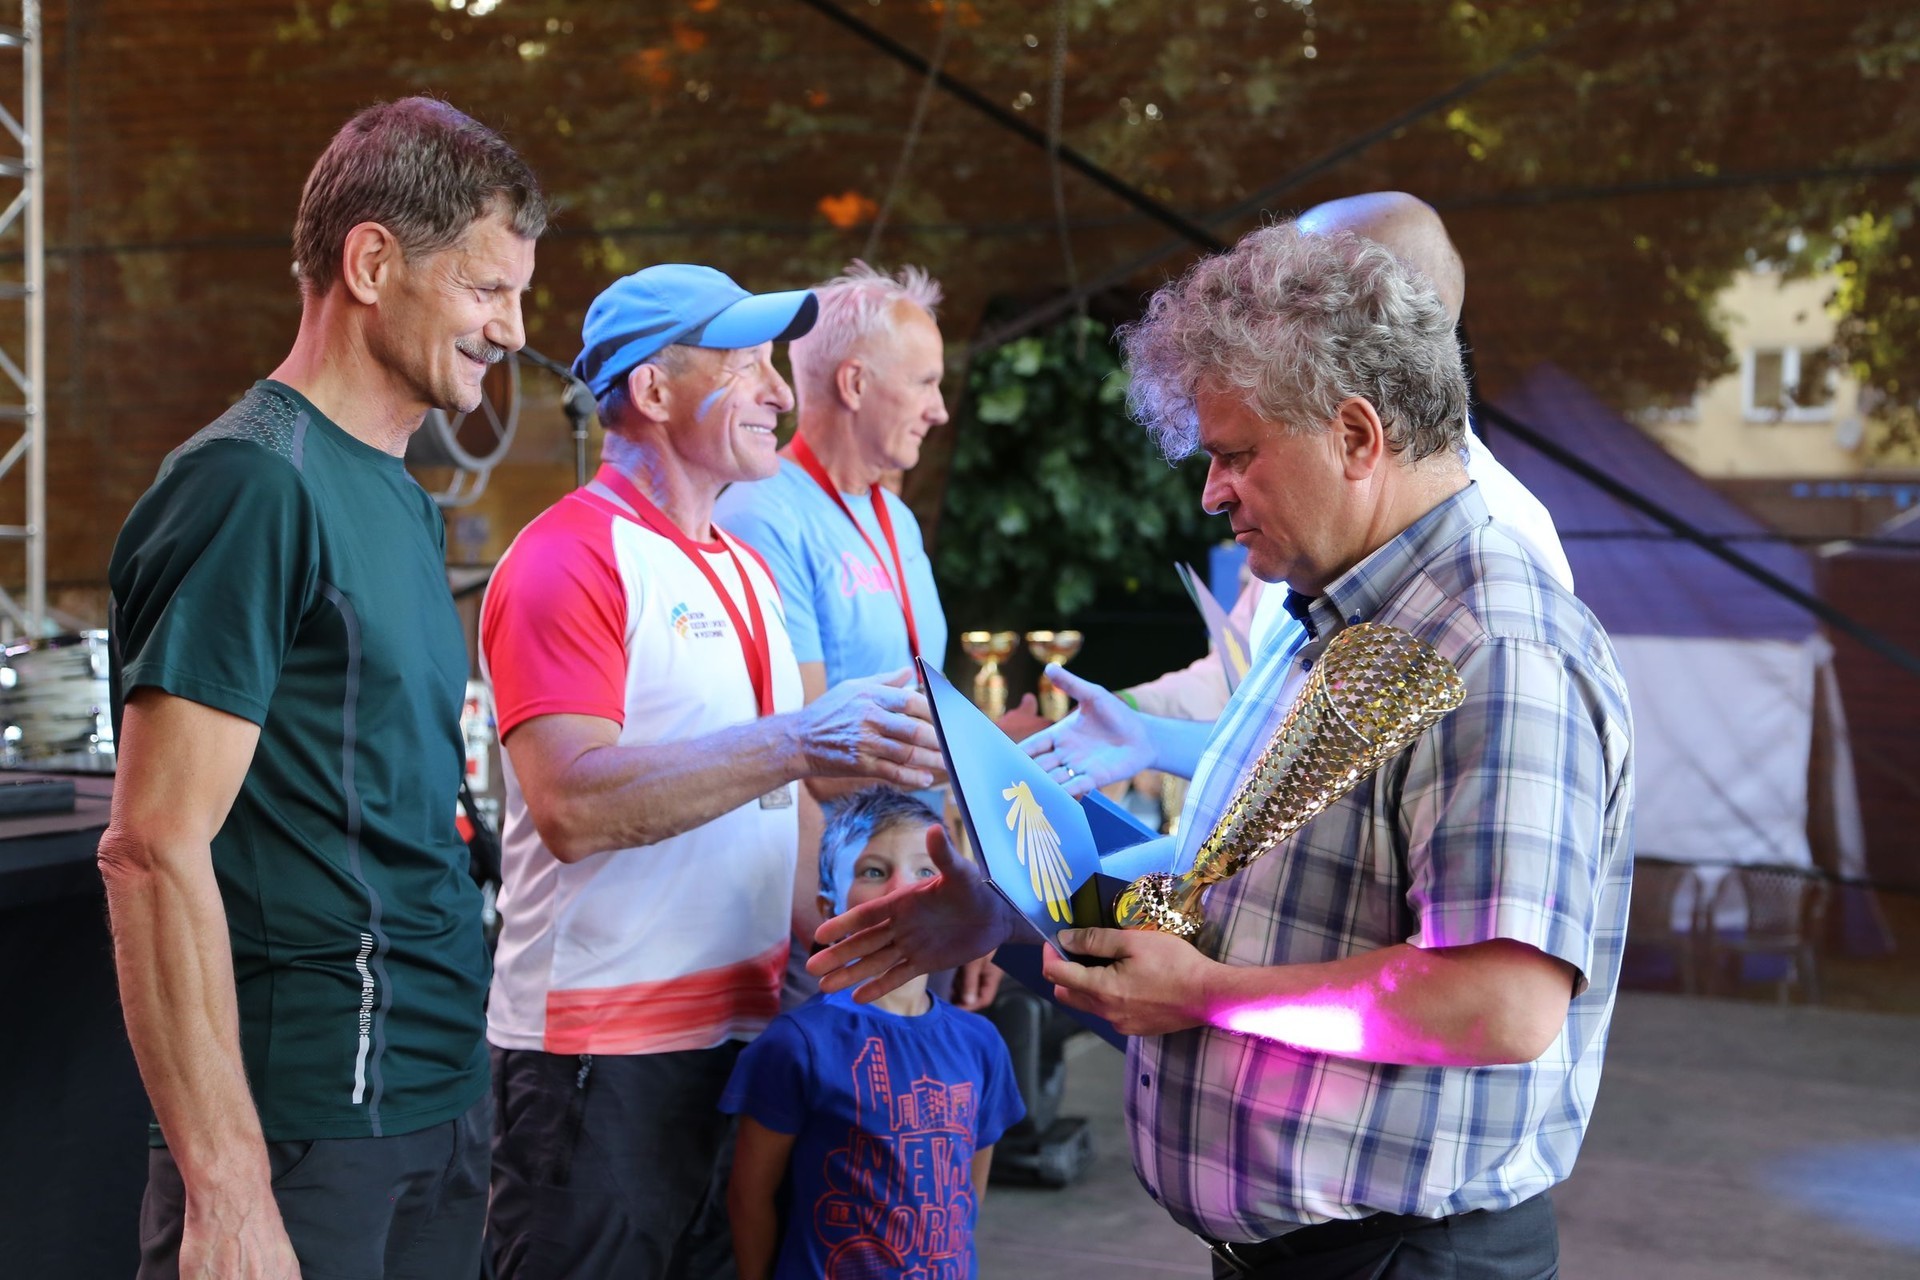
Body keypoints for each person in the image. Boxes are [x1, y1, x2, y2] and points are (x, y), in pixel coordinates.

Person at [810, 223, 1634, 1279]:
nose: (1211, 490)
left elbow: (1502, 1004)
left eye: (1237, 454)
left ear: (1356, 435)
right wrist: (1010, 917)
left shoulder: (1499, 646)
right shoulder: (1319, 611)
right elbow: (1241, 896)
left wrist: (1207, 994)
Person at [100, 98, 545, 1280]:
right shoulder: (250, 483)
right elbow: (150, 848)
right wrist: (227, 1186)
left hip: (441, 1096)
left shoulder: (400, 493)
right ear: (371, 262)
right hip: (304, 1124)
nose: (512, 330)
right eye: (487, 289)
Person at [480, 263, 949, 1280]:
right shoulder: (567, 555)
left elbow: (780, 813)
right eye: (747, 366)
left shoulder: (740, 564)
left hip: (747, 1043)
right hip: (601, 1066)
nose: (780, 390)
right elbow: (571, 802)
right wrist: (799, 740)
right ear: (654, 391)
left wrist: (884, 953)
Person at [1100, 191, 1575, 738]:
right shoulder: (1323, 548)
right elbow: (1238, 683)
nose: (1212, 497)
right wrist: (1126, 718)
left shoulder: (1501, 607)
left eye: (1301, 284)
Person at [712, 262, 998, 1013]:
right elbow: (798, 755)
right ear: (855, 383)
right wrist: (975, 752)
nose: (940, 410)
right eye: (926, 382)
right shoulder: (763, 514)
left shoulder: (893, 517)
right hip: (844, 919)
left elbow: (919, 718)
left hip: (918, 902)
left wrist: (975, 886)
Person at [722, 788, 1024, 1280]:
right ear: (829, 908)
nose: (904, 890)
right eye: (874, 872)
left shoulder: (980, 1042)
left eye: (926, 871)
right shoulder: (797, 1045)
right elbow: (749, 1198)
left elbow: (968, 1195)